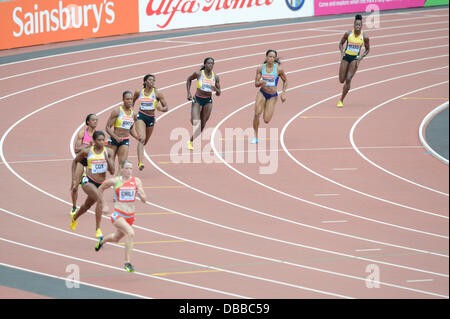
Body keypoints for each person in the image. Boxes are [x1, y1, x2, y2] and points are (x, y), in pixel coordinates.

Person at [94, 160, 147, 273]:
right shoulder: (115, 181)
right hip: (118, 214)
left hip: (130, 217)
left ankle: (102, 241)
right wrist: (104, 204)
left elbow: (144, 200)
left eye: (131, 169)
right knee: (130, 233)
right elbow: (100, 189)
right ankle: (127, 263)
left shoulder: (136, 181)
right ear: (121, 169)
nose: (129, 171)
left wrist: (140, 195)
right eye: (126, 168)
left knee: (116, 238)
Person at [70, 130, 115, 238]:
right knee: (100, 200)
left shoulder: (109, 151)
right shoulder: (87, 151)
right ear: (94, 141)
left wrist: (107, 159)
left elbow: (112, 171)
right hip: (88, 181)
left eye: (103, 140)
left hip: (100, 183)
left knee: (86, 206)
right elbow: (75, 161)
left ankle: (74, 218)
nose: (101, 142)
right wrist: (74, 179)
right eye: (99, 140)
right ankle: (98, 230)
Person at [132, 74, 169, 171]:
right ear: (145, 82)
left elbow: (166, 107)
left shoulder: (158, 94)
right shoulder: (139, 92)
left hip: (151, 118)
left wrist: (161, 108)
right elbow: (132, 102)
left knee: (145, 142)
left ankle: (140, 153)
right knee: (142, 139)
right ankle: (141, 162)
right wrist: (131, 112)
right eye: (150, 80)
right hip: (141, 116)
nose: (152, 82)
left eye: (153, 80)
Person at [252, 49, 287, 144]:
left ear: (275, 59)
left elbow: (285, 80)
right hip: (262, 93)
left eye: (273, 57)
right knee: (256, 114)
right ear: (266, 57)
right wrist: (261, 82)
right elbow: (256, 84)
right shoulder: (260, 68)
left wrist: (283, 92)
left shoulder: (279, 69)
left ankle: (267, 107)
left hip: (272, 96)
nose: (271, 59)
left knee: (266, 120)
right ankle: (255, 137)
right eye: (270, 57)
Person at [186, 57, 221, 150]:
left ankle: (190, 141)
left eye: (212, 63)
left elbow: (219, 93)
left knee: (203, 123)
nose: (210, 65)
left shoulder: (216, 77)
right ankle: (193, 118)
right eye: (209, 63)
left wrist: (215, 89)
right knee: (195, 122)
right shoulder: (198, 74)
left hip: (208, 101)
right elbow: (189, 79)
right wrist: (188, 93)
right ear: (205, 64)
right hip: (198, 99)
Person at [337, 14, 370, 108]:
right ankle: (346, 74)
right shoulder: (348, 34)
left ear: (361, 26)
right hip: (346, 57)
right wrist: (342, 51)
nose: (358, 26)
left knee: (348, 79)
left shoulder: (365, 37)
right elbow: (340, 43)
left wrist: (362, 57)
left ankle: (341, 100)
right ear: (354, 24)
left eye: (359, 25)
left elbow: (367, 49)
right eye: (356, 25)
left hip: (355, 58)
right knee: (341, 80)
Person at [106, 91, 142, 170]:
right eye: (127, 99)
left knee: (122, 164)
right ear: (123, 100)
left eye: (131, 99)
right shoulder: (117, 111)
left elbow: (131, 128)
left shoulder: (133, 114)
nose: (130, 101)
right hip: (114, 140)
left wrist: (136, 137)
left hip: (125, 140)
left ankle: (119, 181)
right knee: (111, 167)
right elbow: (108, 127)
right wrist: (116, 137)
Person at [70, 113, 98, 215]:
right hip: (82, 160)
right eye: (93, 120)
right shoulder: (82, 133)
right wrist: (86, 147)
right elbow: (76, 149)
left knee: (94, 187)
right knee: (74, 186)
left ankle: (89, 205)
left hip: (92, 163)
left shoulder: (97, 135)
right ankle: (74, 207)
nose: (95, 122)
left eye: (96, 120)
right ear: (88, 122)